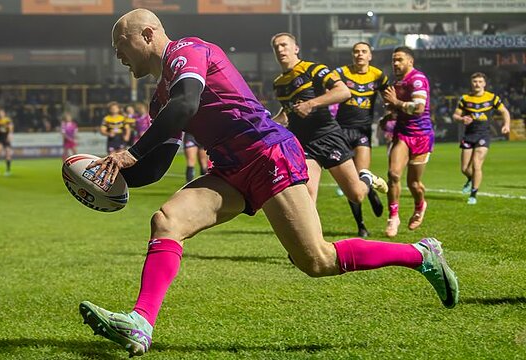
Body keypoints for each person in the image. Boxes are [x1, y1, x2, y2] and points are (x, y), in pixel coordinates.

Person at [79, 9, 459, 357]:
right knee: (167, 221)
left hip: (268, 153)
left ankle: (422, 255)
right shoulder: (159, 98)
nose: (118, 55)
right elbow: (158, 164)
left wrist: (127, 153)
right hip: (230, 169)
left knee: (316, 260)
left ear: (147, 34)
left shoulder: (187, 50)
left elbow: (187, 105)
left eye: (120, 45)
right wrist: (109, 177)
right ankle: (140, 323)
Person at [270, 33, 387, 229]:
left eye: (284, 45)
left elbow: (343, 92)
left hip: (327, 136)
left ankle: (366, 176)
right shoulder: (278, 83)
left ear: (296, 48)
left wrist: (311, 104)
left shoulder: (314, 69)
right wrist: (267, 125)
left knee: (356, 194)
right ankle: (312, 247)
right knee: (307, 197)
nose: (280, 50)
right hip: (303, 143)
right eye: (276, 47)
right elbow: (286, 113)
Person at [333, 42, 388, 237]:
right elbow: (326, 87)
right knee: (352, 182)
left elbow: (389, 98)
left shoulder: (378, 75)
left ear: (370, 55)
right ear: (352, 55)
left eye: (364, 51)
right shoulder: (340, 73)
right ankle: (361, 225)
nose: (360, 55)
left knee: (362, 172)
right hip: (341, 132)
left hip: (363, 132)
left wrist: (389, 117)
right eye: (356, 51)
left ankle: (370, 190)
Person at [381, 46, 433, 237]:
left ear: (410, 61)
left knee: (414, 184)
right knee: (393, 175)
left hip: (421, 136)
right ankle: (393, 217)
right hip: (402, 134)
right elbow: (398, 109)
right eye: (393, 60)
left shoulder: (417, 79)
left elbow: (418, 109)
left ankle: (420, 205)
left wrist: (396, 103)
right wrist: (388, 117)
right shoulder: (398, 82)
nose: (395, 63)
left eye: (399, 60)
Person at [453, 72, 510, 205]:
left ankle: (473, 194)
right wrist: (462, 119)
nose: (477, 84)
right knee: (465, 168)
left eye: (480, 81)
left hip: (483, 135)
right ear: (471, 83)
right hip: (468, 135)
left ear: (484, 83)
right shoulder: (465, 99)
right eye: (475, 82)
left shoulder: (492, 98)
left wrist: (506, 124)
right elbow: (455, 116)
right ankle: (470, 179)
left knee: (477, 164)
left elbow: (504, 111)